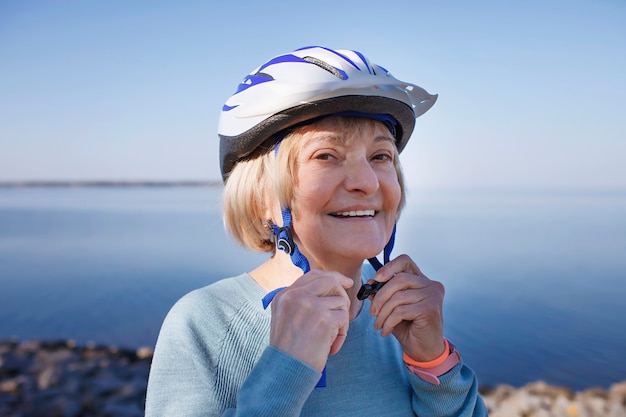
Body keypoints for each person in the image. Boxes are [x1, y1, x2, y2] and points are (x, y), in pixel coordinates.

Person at [145, 46, 487, 416]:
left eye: (380, 156)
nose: (367, 182)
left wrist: (433, 363)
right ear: (261, 196)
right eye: (326, 156)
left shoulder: (401, 314)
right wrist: (286, 368)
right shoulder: (206, 324)